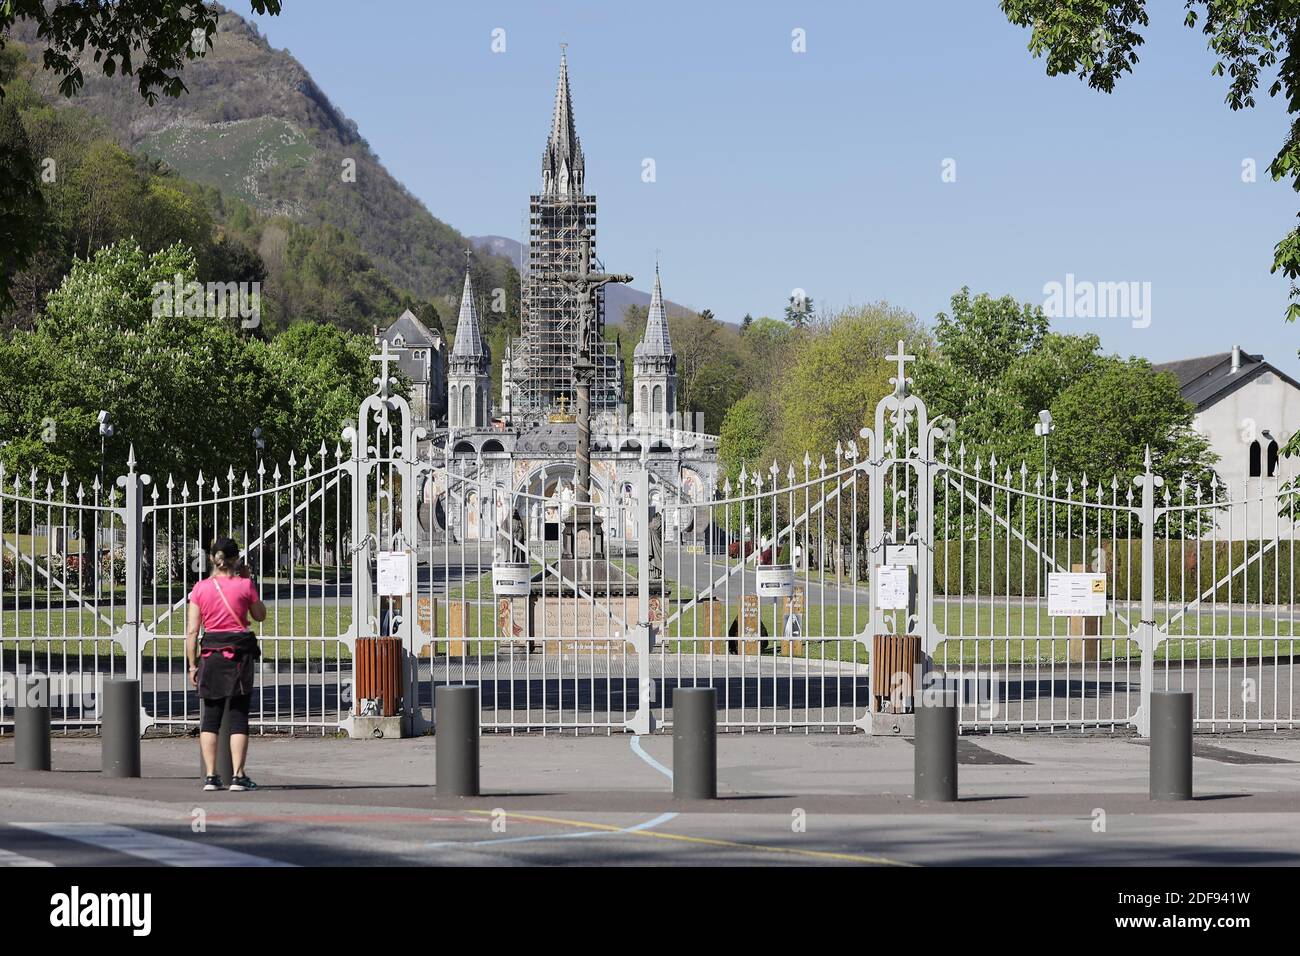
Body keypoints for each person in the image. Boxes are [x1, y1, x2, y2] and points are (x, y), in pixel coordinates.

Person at [186, 537, 266, 792]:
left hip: (211, 655)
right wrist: (248, 579)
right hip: (239, 657)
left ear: (211, 558)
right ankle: (238, 775)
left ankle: (211, 776)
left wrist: (192, 665)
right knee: (238, 716)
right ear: (236, 559)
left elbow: (192, 631)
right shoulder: (245, 585)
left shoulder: (200, 588)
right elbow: (260, 615)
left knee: (211, 717)